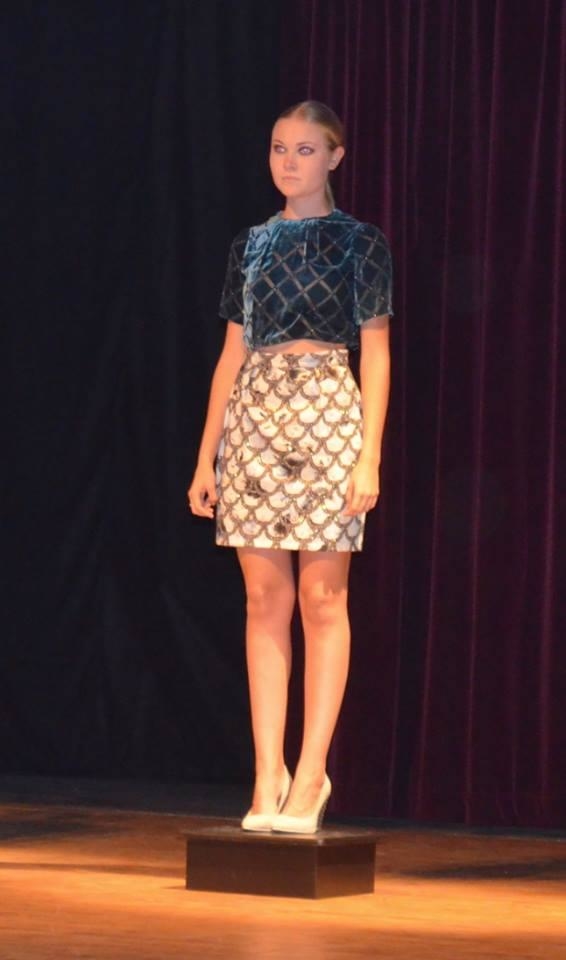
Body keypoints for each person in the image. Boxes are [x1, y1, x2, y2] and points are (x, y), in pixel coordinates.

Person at [187, 100, 392, 834]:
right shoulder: (251, 244)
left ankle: (312, 774)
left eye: (305, 150)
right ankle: (267, 771)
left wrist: (368, 455)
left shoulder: (361, 243)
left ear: (334, 157)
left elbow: (376, 353)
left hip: (329, 412)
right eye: (279, 148)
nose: (289, 162)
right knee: (262, 599)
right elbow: (230, 354)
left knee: (322, 599)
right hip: (255, 415)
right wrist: (207, 455)